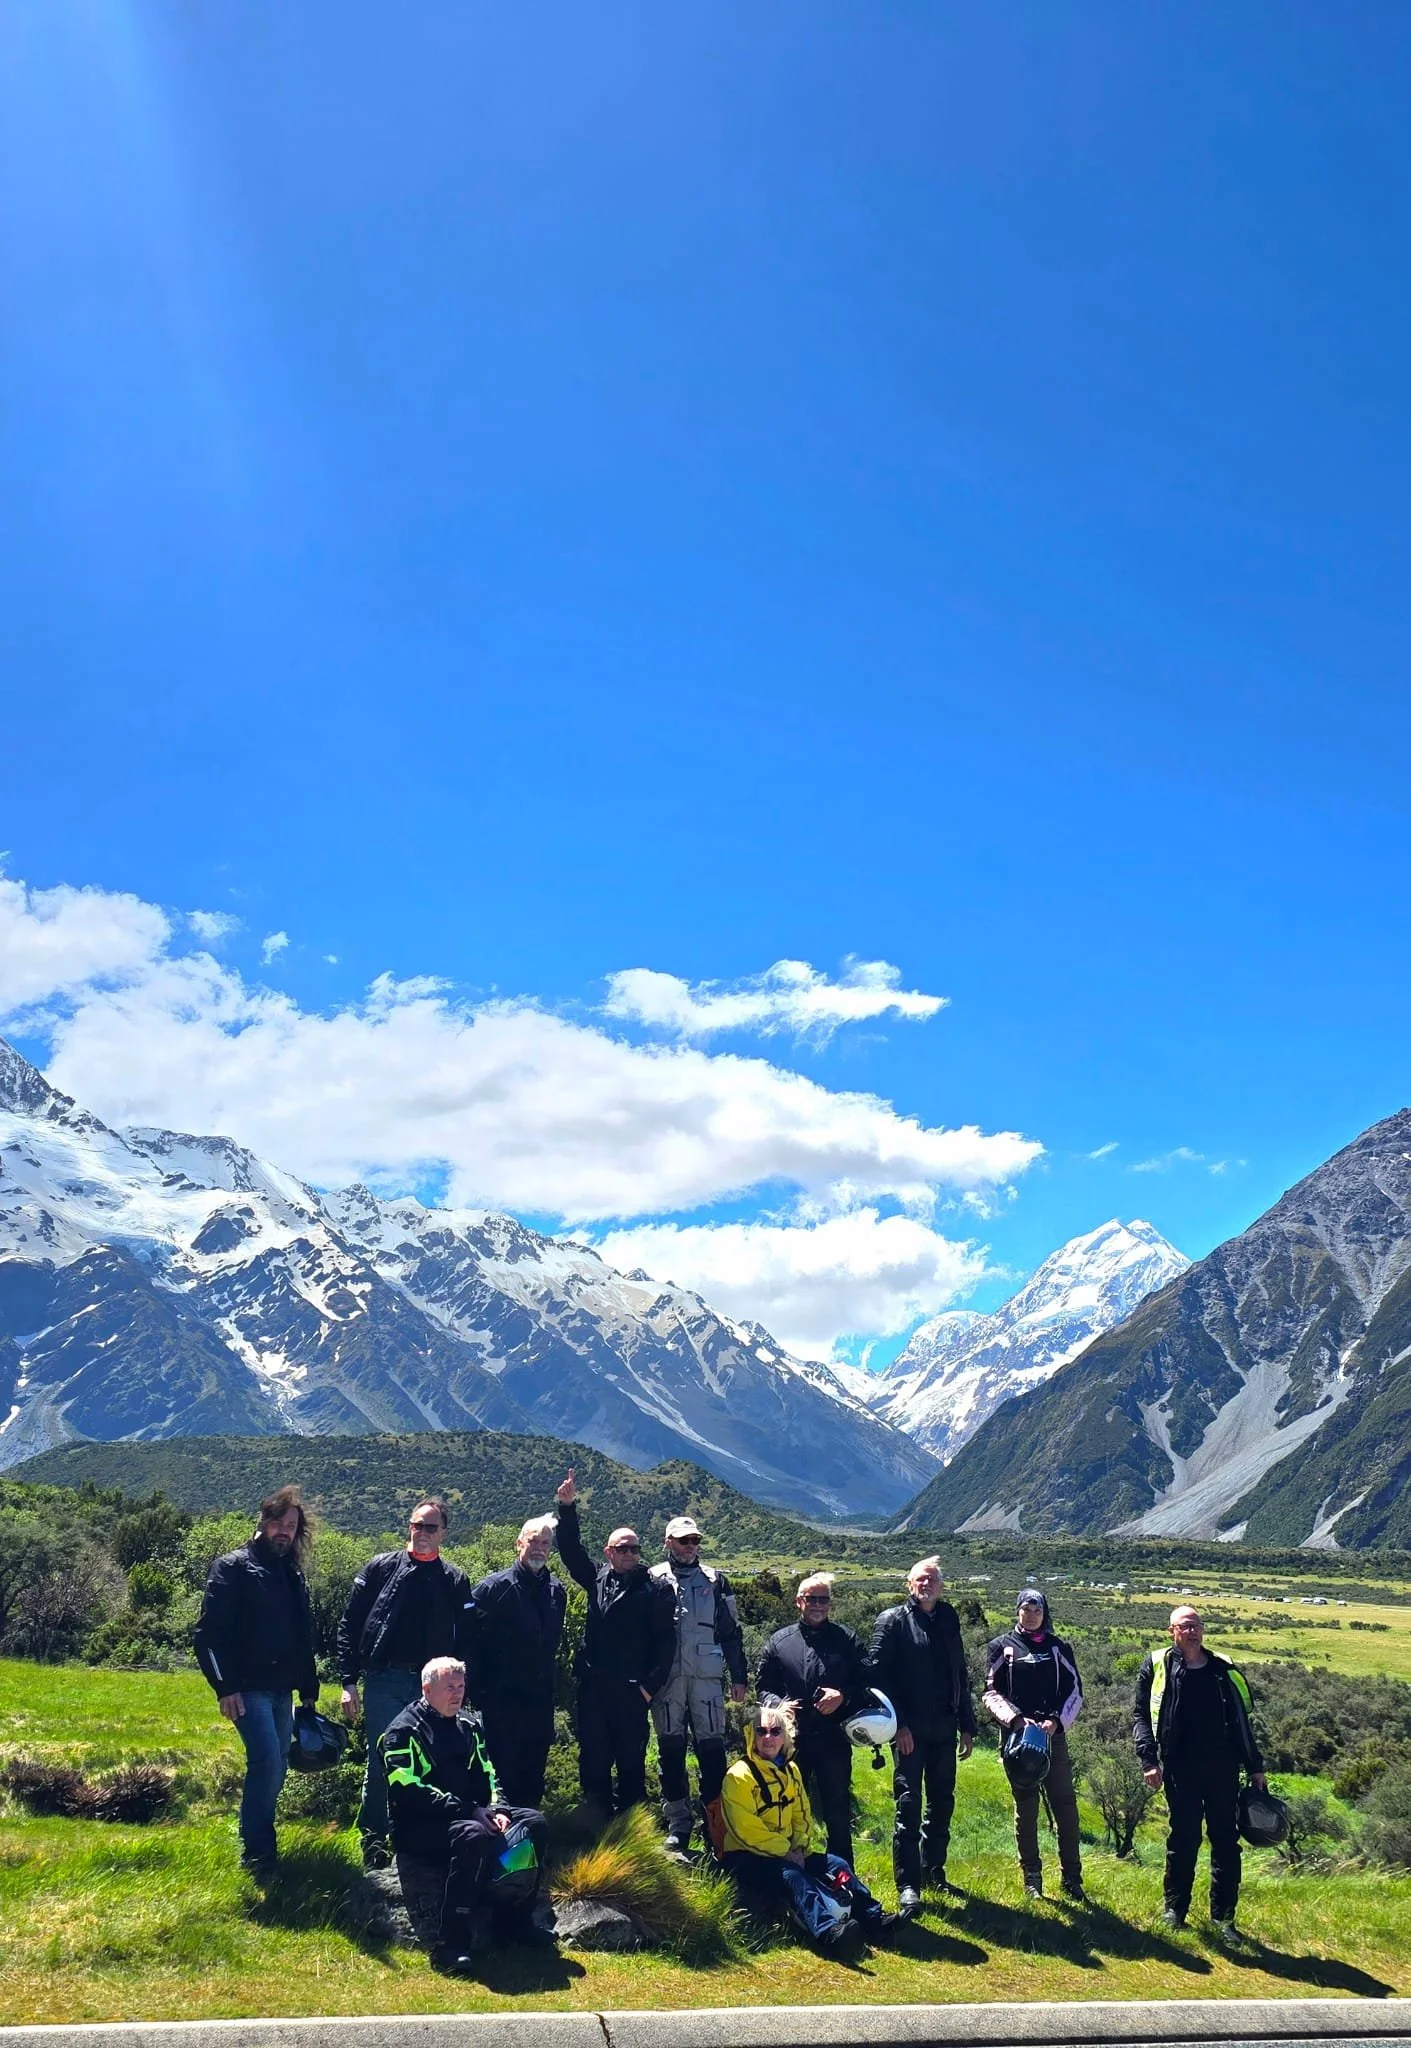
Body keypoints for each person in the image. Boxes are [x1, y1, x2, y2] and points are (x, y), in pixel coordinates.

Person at [382, 1655, 551, 1976]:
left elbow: (490, 1774)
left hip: (471, 1813)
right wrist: (470, 1811)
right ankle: (451, 1944)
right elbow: (407, 1789)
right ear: (426, 1689)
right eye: (449, 1687)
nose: (457, 1694)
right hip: (419, 1825)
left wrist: (499, 1810)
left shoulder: (470, 1725)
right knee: (473, 1836)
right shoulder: (402, 1731)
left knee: (533, 1823)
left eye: (461, 1686)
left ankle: (514, 1921)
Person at [337, 1496, 475, 1869]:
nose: (422, 1533)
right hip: (385, 1679)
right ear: (408, 1526)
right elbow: (349, 1625)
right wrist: (347, 1681)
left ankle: (421, 1840)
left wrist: (463, 1690)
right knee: (384, 1761)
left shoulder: (454, 1580)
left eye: (430, 1527)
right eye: (417, 1525)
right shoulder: (381, 1568)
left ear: (443, 1533)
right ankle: (374, 1843)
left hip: (435, 1687)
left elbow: (468, 1638)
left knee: (434, 1764)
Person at [194, 1484, 319, 1877]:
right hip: (247, 1689)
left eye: (291, 1526)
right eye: (278, 1523)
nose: (284, 1531)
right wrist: (224, 1687)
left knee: (278, 1765)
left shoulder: (291, 1574)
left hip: (283, 1690)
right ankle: (259, 1855)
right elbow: (207, 1636)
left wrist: (309, 1693)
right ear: (263, 1522)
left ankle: (256, 1840)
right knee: (266, 1763)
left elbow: (303, 1638)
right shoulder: (232, 1568)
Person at [1134, 1604, 1267, 1948]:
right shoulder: (1156, 1665)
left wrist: (1255, 1766)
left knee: (1225, 1843)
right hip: (1180, 1769)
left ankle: (1224, 1919)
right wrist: (1149, 1760)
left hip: (1223, 1769)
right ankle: (1175, 1912)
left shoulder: (1222, 1669)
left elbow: (1241, 1721)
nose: (1191, 1631)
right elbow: (1140, 1716)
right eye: (1184, 1626)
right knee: (1183, 1841)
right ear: (1171, 1632)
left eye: (1195, 1625)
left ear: (1203, 1630)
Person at [720, 1703, 895, 1961]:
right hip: (745, 1856)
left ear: (785, 1735)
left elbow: (802, 1814)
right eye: (762, 1731)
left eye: (775, 1731)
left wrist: (800, 1846)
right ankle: (830, 1934)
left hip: (788, 1852)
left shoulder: (791, 1771)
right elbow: (746, 1829)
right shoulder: (738, 1776)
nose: (768, 1737)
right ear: (752, 1736)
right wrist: (786, 1852)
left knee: (837, 1864)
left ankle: (874, 1919)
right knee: (793, 1876)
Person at [552, 1470, 677, 1821]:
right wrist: (567, 1507)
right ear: (609, 1551)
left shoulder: (654, 1589)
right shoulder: (596, 1578)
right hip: (593, 1688)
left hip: (631, 1691)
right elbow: (571, 1552)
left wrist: (649, 1689)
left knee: (630, 1760)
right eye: (622, 1548)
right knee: (592, 1756)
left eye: (635, 1549)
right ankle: (594, 1824)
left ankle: (632, 1832)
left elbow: (666, 1643)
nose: (630, 1554)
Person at [867, 1554, 976, 1914]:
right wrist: (898, 1726)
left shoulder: (948, 1618)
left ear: (942, 1587)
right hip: (909, 1732)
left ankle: (933, 1871)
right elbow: (876, 1679)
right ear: (908, 1585)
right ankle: (909, 1885)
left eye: (932, 1580)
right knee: (909, 1806)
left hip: (944, 1729)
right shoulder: (892, 1621)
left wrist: (967, 1725)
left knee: (942, 1804)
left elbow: (959, 1673)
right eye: (920, 1579)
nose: (926, 1584)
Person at [650, 1514, 748, 1856]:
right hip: (668, 1683)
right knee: (671, 1756)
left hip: (706, 1682)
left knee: (712, 1756)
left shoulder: (716, 1581)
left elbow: (731, 1633)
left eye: (695, 1541)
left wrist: (739, 1676)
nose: (690, 1547)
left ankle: (716, 1829)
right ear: (668, 1543)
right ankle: (678, 1826)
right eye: (683, 1541)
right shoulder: (652, 1579)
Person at [756, 1572, 867, 1864]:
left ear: (830, 1604)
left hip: (834, 1739)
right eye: (811, 1598)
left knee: (837, 1811)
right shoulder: (779, 1642)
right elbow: (763, 1687)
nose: (817, 1604)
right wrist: (778, 1705)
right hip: (791, 1743)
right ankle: (791, 1873)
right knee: (786, 1807)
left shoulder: (848, 1639)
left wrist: (842, 1695)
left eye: (823, 1599)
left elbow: (867, 1683)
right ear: (798, 1602)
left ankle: (843, 1878)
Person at [983, 1588, 1085, 1900]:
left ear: (1044, 1613)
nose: (1031, 1615)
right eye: (1025, 1610)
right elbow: (990, 1691)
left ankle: (1072, 1878)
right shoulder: (1002, 1646)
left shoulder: (1058, 1647)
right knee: (1026, 1809)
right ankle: (1032, 1877)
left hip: (1052, 1737)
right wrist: (1014, 1718)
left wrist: (1055, 1721)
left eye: (1036, 1610)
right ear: (1017, 1611)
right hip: (1017, 1737)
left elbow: (1075, 1690)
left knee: (1065, 1807)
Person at [463, 1510, 567, 1807]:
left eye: (545, 1543)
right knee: (500, 1776)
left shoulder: (556, 1591)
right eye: (533, 1541)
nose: (539, 1548)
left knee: (533, 1777)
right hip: (500, 1703)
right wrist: (477, 1693)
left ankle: (527, 1843)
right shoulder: (492, 1589)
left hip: (540, 1703)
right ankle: (498, 1845)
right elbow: (470, 1643)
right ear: (518, 1543)